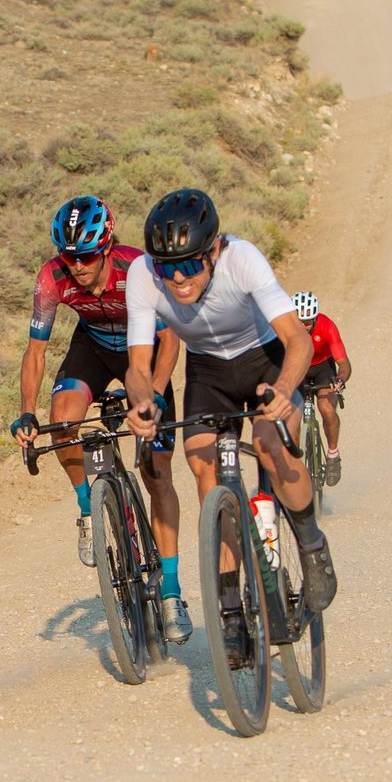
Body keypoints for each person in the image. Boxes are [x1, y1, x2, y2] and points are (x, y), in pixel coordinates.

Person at [125, 188, 337, 665]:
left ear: (214, 250)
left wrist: (284, 390)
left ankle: (311, 544)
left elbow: (298, 340)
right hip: (209, 372)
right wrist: (143, 402)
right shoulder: (142, 275)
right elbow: (138, 366)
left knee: (269, 444)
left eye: (189, 265)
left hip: (265, 361)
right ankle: (231, 612)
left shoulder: (244, 260)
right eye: (166, 267)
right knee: (205, 474)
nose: (177, 278)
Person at [10, 197, 190, 643]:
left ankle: (170, 593)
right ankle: (88, 508)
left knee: (157, 472)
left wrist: (158, 393)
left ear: (107, 246)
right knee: (63, 420)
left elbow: (170, 340)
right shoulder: (52, 279)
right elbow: (36, 351)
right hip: (91, 347)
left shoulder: (139, 270)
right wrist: (26, 412)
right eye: (69, 256)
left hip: (140, 349)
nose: (78, 266)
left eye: (88, 256)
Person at [291, 292, 352, 486]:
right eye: (299, 321)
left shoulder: (327, 326)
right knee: (292, 417)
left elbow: (343, 363)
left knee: (326, 409)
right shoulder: (286, 327)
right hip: (297, 367)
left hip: (322, 368)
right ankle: (295, 462)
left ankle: (332, 454)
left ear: (315, 318)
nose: (303, 326)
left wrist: (340, 380)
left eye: (307, 322)